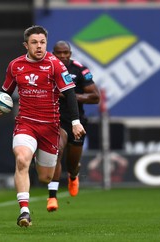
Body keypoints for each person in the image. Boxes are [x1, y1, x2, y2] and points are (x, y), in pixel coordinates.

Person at [0, 26, 86, 227]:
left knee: (45, 178)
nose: (39, 47)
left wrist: (75, 122)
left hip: (50, 127)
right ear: (26, 45)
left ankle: (59, 167)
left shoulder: (55, 65)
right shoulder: (15, 66)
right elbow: (4, 93)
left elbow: (71, 94)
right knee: (21, 160)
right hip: (26, 123)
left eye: (42, 43)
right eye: (34, 43)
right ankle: (24, 212)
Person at [46, 40, 100, 212]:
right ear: (53, 53)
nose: (62, 56)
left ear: (70, 53)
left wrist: (70, 96)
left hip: (76, 120)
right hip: (56, 119)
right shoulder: (47, 68)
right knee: (57, 151)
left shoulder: (80, 69)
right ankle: (52, 197)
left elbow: (95, 97)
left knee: (72, 163)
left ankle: (74, 175)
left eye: (65, 53)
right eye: (58, 53)